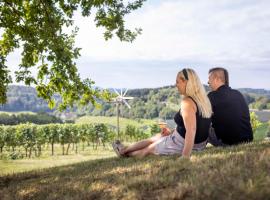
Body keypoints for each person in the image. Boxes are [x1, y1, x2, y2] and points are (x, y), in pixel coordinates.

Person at [112, 68, 212, 158]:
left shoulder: (187, 103)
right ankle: (124, 149)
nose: (175, 85)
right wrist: (173, 132)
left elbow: (192, 130)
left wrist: (185, 156)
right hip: (198, 143)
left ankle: (125, 154)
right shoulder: (203, 100)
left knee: (149, 149)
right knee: (156, 138)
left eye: (177, 82)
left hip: (182, 143)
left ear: (185, 82)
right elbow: (194, 125)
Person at [207, 67, 253, 146]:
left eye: (209, 79)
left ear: (217, 79)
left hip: (227, 143)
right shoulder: (238, 94)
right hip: (247, 140)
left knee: (201, 125)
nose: (208, 82)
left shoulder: (211, 96)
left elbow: (202, 119)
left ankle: (196, 149)